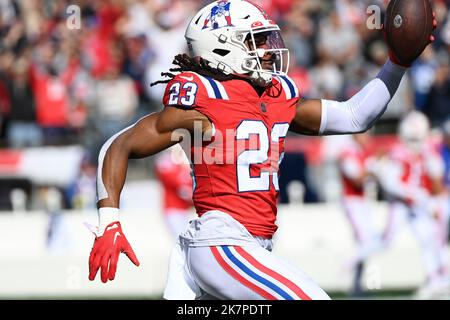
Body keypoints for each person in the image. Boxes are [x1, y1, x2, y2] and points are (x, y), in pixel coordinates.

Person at [86, 0, 436, 300]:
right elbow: (120, 145)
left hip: (249, 246)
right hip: (220, 241)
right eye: (256, 41)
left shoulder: (274, 95)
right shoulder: (204, 102)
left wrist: (397, 63)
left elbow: (355, 116)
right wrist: (110, 222)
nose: (269, 50)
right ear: (222, 47)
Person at [375, 111, 448, 298]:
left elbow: (436, 177)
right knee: (386, 241)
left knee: (430, 239)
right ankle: (354, 264)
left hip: (421, 203)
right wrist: (414, 194)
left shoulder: (428, 151)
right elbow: (391, 182)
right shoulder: (398, 152)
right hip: (404, 203)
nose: (415, 144)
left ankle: (437, 279)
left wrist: (429, 199)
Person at [337, 132, 382, 297]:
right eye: (365, 135)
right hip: (352, 202)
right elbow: (357, 178)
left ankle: (356, 285)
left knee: (365, 243)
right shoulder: (348, 153)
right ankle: (345, 265)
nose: (368, 139)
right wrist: (373, 167)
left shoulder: (360, 153)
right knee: (368, 243)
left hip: (360, 201)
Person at [154, 144, 193, 240]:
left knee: (186, 241)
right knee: (181, 241)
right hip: (173, 210)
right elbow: (178, 184)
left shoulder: (182, 166)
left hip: (184, 210)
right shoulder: (165, 163)